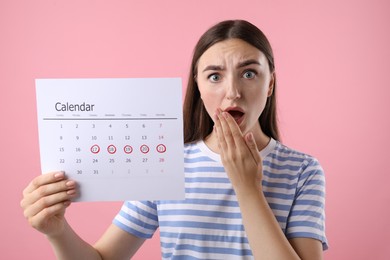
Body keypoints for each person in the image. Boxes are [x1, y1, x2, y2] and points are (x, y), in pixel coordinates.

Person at [21, 19, 328, 259]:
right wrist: (57, 232)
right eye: (215, 76)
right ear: (198, 85)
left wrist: (247, 187)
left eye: (249, 73)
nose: (232, 91)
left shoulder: (303, 171)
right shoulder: (168, 163)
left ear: (270, 83)